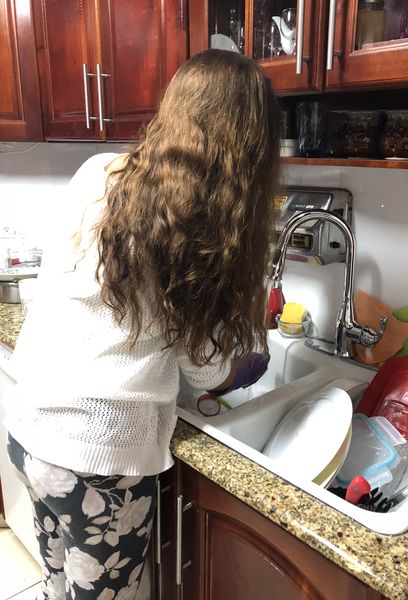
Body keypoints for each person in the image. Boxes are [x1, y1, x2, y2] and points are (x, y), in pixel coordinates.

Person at [4, 49, 281, 599]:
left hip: (28, 431)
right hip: (98, 461)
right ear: (248, 146)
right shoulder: (199, 222)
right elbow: (203, 371)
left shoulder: (98, 171)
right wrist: (246, 364)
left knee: (60, 589)